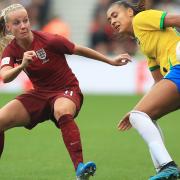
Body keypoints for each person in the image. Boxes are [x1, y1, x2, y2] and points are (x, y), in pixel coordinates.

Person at [0, 3, 131, 180]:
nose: (23, 25)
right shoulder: (11, 50)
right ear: (8, 27)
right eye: (16, 23)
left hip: (66, 90)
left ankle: (80, 168)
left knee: (62, 109)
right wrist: (22, 65)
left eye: (26, 20)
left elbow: (78, 49)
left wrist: (110, 60)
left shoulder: (49, 40)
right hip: (40, 94)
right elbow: (5, 76)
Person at [106, 0, 180, 180]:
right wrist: (135, 111)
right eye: (109, 20)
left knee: (139, 116)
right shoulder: (143, 41)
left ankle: (167, 167)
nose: (112, 22)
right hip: (175, 75)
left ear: (130, 12)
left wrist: (136, 113)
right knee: (143, 116)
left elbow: (177, 19)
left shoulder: (142, 19)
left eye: (115, 15)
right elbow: (159, 82)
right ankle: (164, 171)